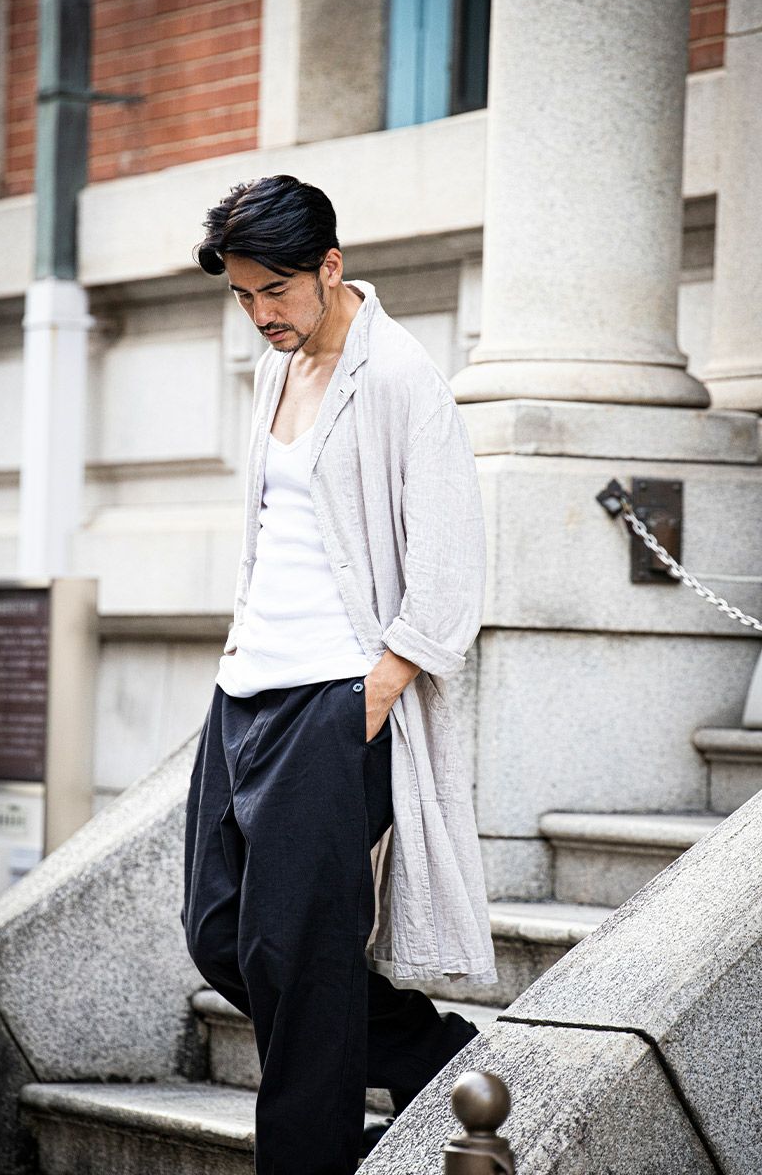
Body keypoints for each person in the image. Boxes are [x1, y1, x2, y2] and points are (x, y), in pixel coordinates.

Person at [181, 174, 497, 1175]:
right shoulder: (274, 370)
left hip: (332, 701)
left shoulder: (399, 376)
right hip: (245, 693)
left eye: (274, 291)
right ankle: (433, 1055)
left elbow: (449, 562)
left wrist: (370, 697)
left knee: (300, 954)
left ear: (330, 266)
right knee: (219, 934)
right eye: (243, 296)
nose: (259, 314)